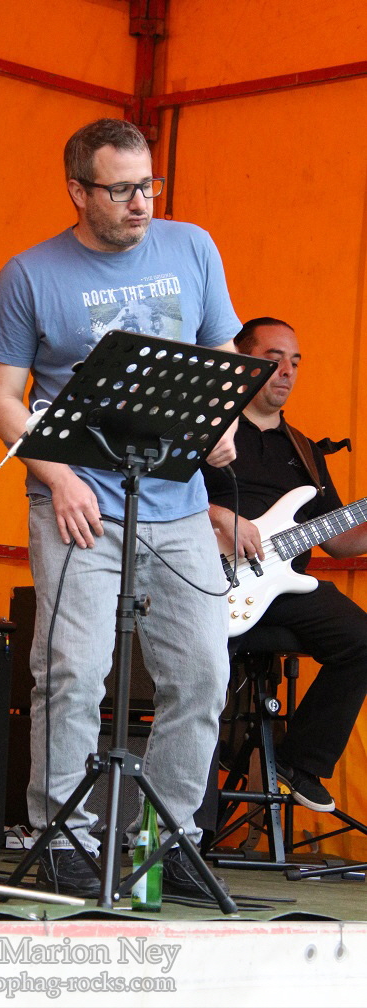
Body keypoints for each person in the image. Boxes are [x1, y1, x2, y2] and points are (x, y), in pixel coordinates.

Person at [0, 118, 240, 899]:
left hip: (179, 505)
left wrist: (221, 422)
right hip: (79, 504)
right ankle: (64, 839)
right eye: (122, 189)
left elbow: (221, 352)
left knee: (203, 675)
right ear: (78, 191)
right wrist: (57, 477)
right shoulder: (29, 275)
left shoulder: (193, 247)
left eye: (149, 185)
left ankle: (168, 839)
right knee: (72, 672)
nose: (141, 203)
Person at [204, 317, 367, 812]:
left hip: (283, 589)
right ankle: (189, 821)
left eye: (295, 361)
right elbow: (155, 498)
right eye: (274, 359)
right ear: (240, 361)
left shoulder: (305, 451)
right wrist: (219, 516)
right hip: (205, 580)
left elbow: (339, 542)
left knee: (362, 639)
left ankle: (300, 763)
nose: (287, 371)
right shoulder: (208, 430)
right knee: (196, 685)